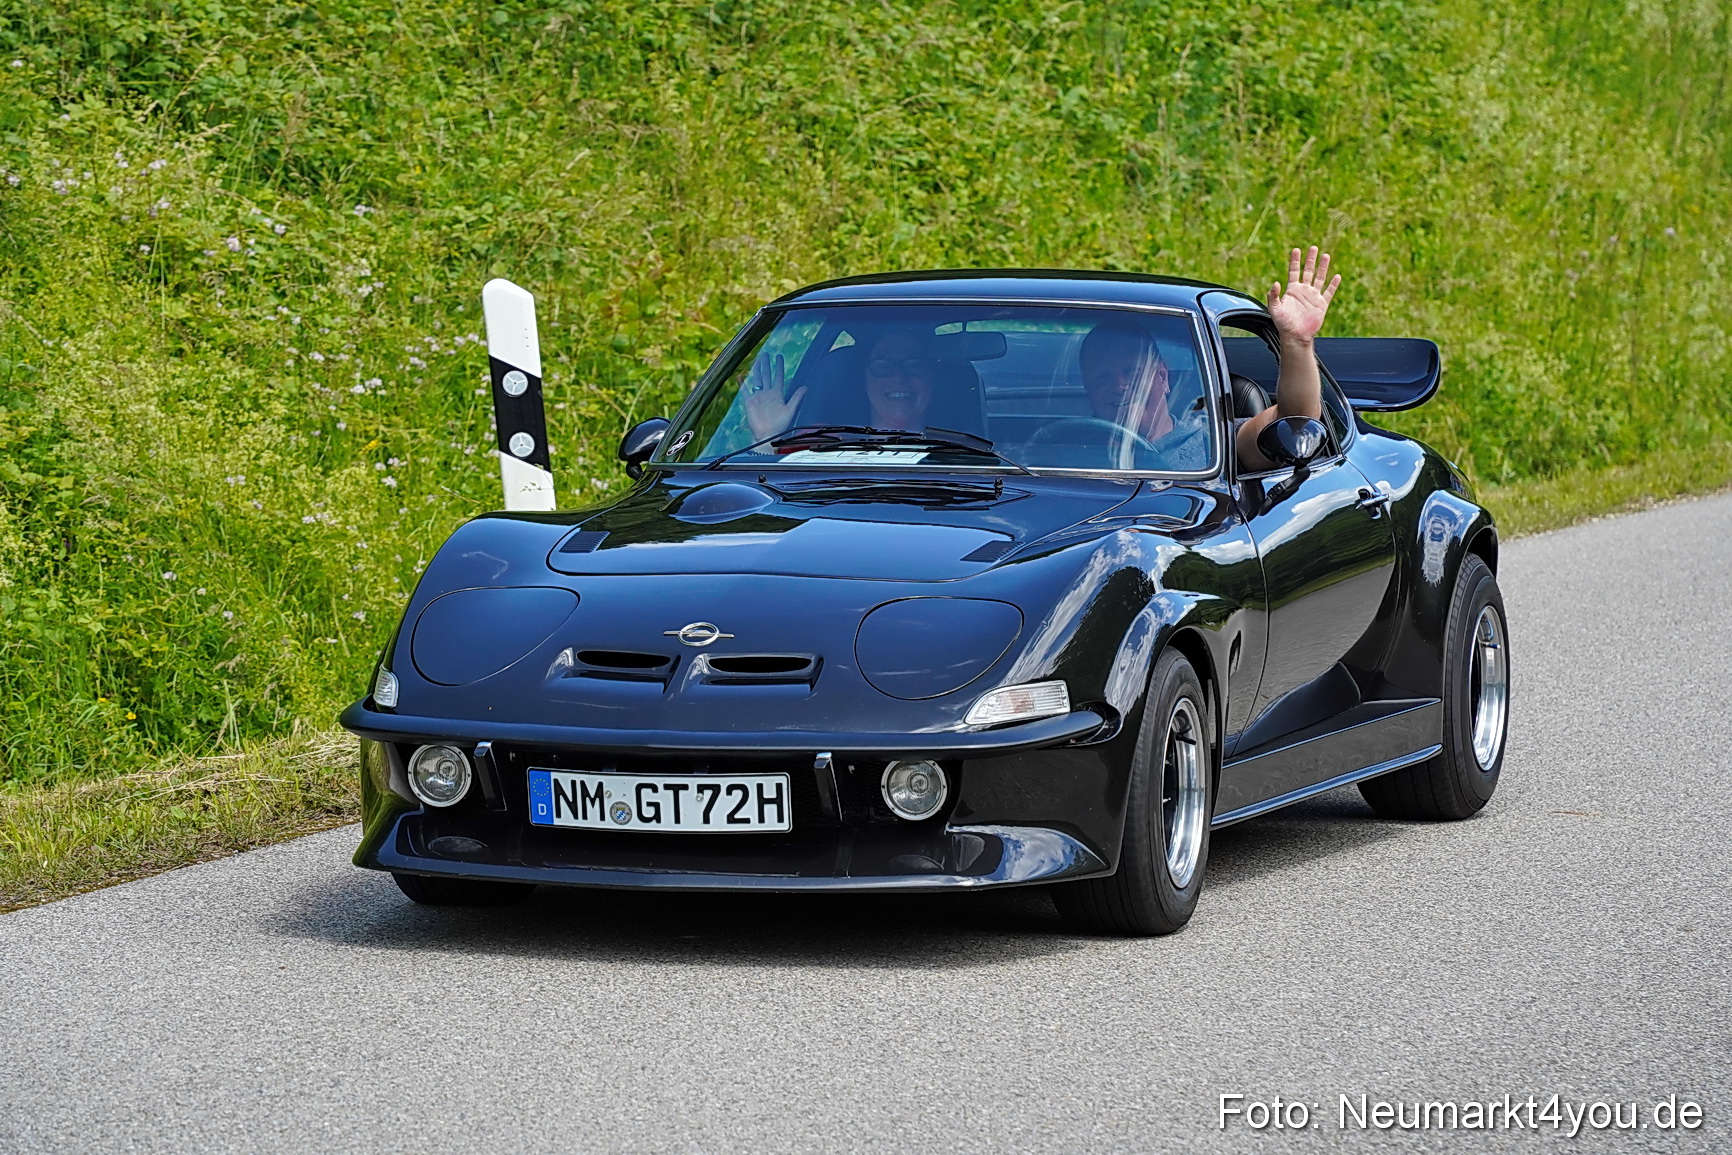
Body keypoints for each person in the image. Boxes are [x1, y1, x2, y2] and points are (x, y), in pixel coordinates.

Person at [1236, 244, 1339, 470]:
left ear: (1164, 376)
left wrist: (1297, 341)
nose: (1137, 389)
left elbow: (1295, 422)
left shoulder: (1204, 433)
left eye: (1141, 371)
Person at [740, 330, 934, 441]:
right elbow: (766, 487)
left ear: (932, 378)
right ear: (864, 381)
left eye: (914, 365)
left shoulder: (963, 456)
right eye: (882, 367)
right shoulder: (820, 440)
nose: (898, 377)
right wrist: (766, 439)